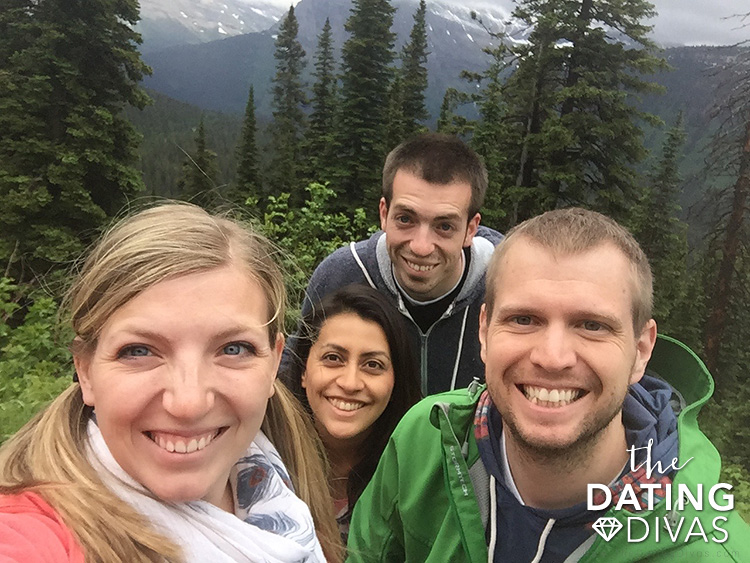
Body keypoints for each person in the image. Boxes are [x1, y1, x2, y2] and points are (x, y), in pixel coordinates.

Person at [347, 207, 750, 562]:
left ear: (641, 350)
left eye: (591, 326)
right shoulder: (428, 438)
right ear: (484, 332)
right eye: (524, 319)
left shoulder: (709, 551)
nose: (552, 357)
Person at [0, 203, 342, 562]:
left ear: (274, 360)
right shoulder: (33, 535)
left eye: (233, 348)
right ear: (85, 370)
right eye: (138, 351)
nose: (188, 403)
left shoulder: (274, 478)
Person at [286, 133, 503, 396]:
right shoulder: (342, 276)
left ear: (471, 229)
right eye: (405, 219)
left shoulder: (503, 285)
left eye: (444, 226)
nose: (421, 247)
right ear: (384, 213)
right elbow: (294, 374)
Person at [284, 284, 422, 543]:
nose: (350, 383)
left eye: (373, 365)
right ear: (304, 370)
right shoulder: (263, 462)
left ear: (395, 382)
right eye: (333, 358)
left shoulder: (419, 478)